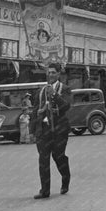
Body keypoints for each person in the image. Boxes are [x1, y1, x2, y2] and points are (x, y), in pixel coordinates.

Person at [31, 62, 72, 199]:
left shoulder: (65, 89)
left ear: (59, 74)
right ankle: (45, 190)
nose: (50, 75)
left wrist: (54, 94)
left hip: (59, 130)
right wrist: (33, 131)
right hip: (43, 130)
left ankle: (65, 178)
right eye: (49, 72)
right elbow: (35, 111)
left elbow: (66, 106)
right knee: (43, 160)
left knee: (58, 157)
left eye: (53, 72)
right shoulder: (40, 91)